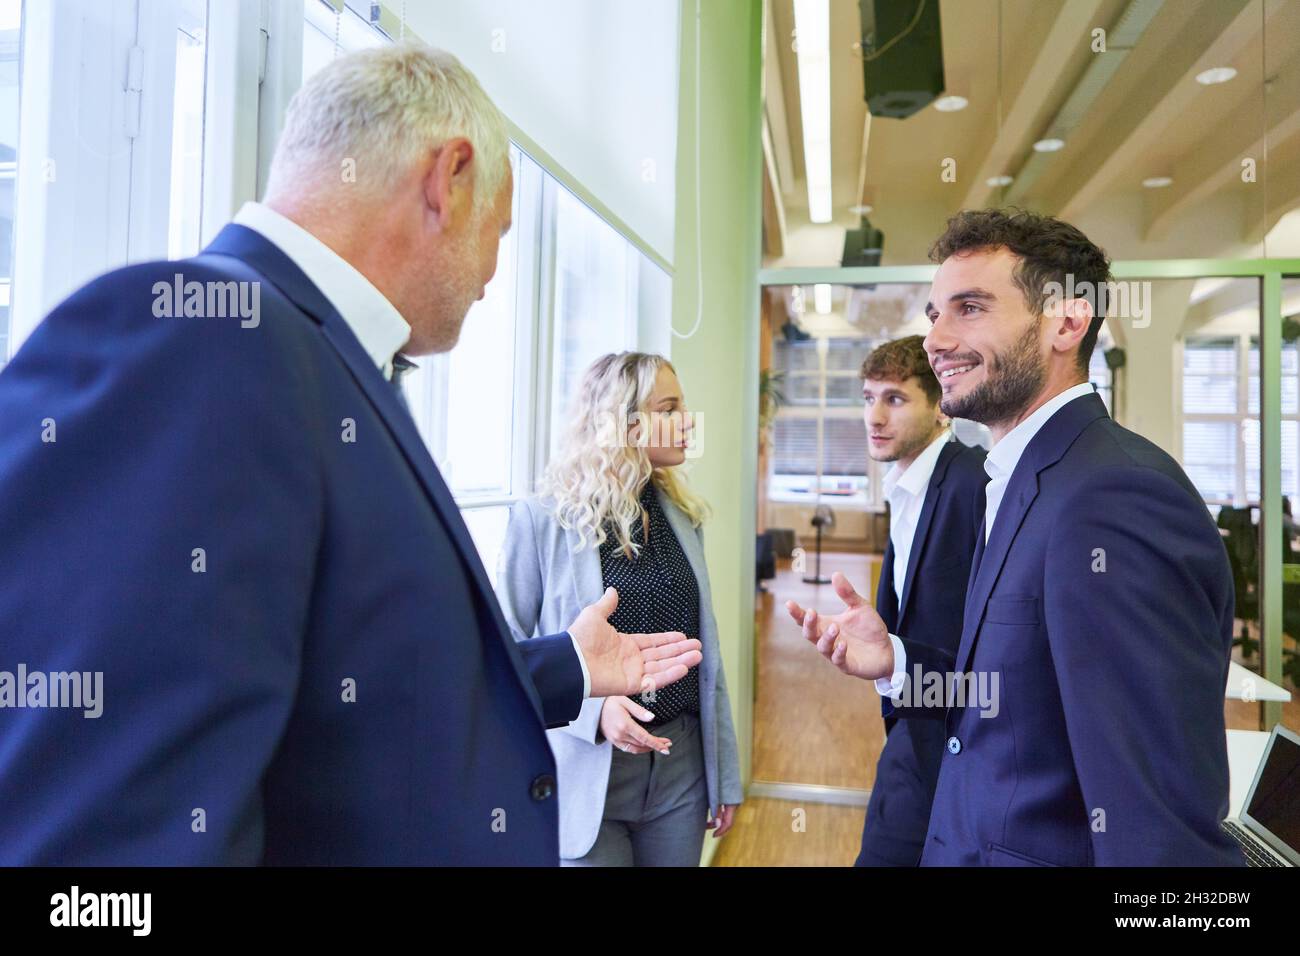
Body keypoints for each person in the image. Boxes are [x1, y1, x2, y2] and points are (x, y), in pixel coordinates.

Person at [0, 43, 703, 866]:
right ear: (448, 179)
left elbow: (358, 686)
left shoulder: (321, 364)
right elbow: (106, 842)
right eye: (500, 231)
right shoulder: (201, 336)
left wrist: (566, 668)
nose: (493, 272)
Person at [789, 208, 1242, 866]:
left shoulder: (1114, 496)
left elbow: (1158, 829)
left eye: (969, 308)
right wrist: (896, 661)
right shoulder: (1019, 478)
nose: (937, 339)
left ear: (1066, 320)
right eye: (934, 312)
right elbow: (1003, 696)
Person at [498, 352, 743, 866]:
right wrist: (595, 709)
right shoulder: (541, 520)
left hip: (681, 765)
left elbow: (708, 658)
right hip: (587, 769)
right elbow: (507, 658)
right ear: (625, 422)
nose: (687, 423)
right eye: (670, 409)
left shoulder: (684, 517)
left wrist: (724, 773)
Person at [855, 336, 985, 866]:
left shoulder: (973, 482)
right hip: (915, 723)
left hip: (959, 733)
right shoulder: (908, 485)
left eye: (895, 398)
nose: (875, 416)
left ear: (938, 405)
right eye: (867, 398)